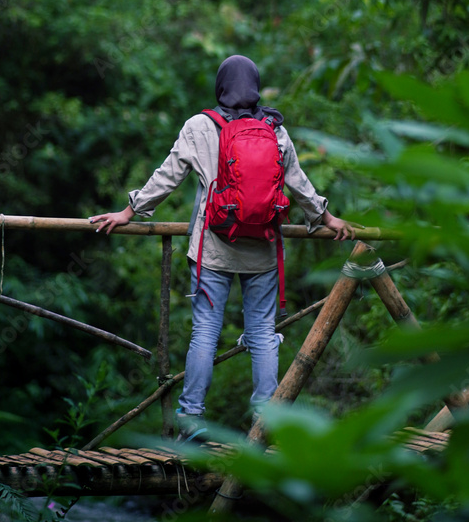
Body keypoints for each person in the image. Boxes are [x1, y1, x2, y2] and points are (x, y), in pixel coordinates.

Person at [90, 54, 354, 440]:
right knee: (262, 333)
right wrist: (326, 218)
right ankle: (265, 421)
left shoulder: (200, 126)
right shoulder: (274, 129)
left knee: (205, 332)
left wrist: (131, 211)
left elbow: (168, 176)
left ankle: (192, 420)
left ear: (221, 86)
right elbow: (298, 182)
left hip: (212, 248)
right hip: (263, 248)